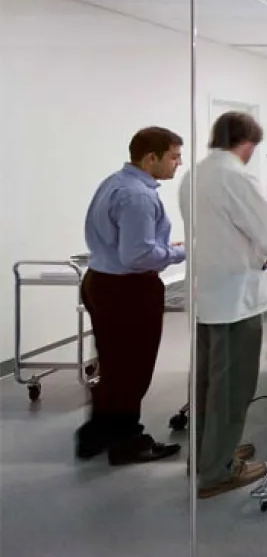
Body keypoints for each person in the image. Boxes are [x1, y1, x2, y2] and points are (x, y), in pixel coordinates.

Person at [180, 111, 267, 499]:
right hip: (235, 298)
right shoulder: (234, 177)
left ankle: (207, 453)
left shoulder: (194, 175)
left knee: (207, 383)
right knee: (231, 387)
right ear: (247, 143)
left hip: (207, 294)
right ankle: (218, 471)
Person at [76, 127, 186, 465]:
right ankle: (128, 441)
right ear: (150, 158)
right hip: (128, 290)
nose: (178, 164)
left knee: (113, 364)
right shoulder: (138, 195)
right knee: (132, 369)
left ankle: (97, 434)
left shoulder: (114, 182)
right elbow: (137, 256)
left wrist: (162, 249)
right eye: (173, 157)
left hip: (101, 280)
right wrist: (176, 254)